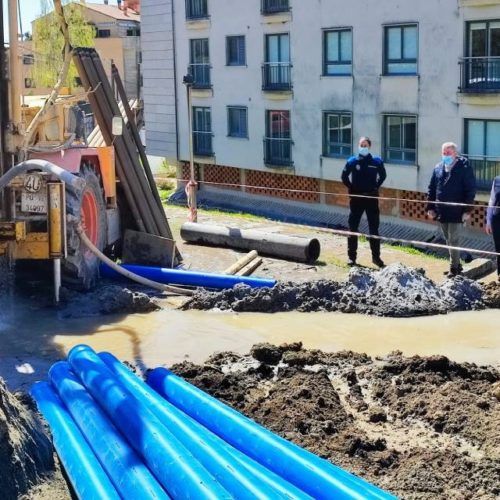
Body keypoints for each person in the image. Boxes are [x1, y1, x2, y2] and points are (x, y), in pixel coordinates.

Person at [427, 142, 476, 277]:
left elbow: (470, 190)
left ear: (455, 153)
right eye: (444, 153)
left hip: (457, 210)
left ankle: (454, 268)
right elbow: (432, 188)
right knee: (448, 238)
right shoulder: (438, 168)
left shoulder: (464, 168)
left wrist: (467, 210)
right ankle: (456, 264)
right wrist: (430, 207)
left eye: (448, 153)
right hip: (441, 210)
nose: (446, 155)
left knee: (454, 239)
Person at [341, 136, 387, 267]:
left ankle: (376, 258)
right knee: (353, 228)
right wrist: (351, 188)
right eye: (361, 145)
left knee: (374, 229)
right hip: (356, 199)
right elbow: (344, 177)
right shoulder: (352, 161)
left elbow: (383, 175)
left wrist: (376, 187)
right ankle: (352, 258)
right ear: (358, 146)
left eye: (365, 145)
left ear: (369, 146)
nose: (363, 147)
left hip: (371, 198)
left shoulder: (376, 161)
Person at [485, 176, 500, 279]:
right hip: (497, 219)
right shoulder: (497, 180)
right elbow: (492, 200)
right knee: (499, 247)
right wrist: (489, 221)